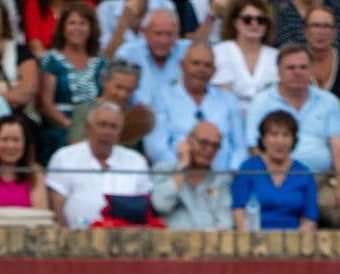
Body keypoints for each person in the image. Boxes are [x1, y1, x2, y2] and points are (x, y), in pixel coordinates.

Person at [245, 43, 340, 228]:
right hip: (275, 177)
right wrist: (274, 181)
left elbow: (339, 146)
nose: (298, 72)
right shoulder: (261, 102)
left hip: (319, 180)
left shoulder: (329, 101)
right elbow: (254, 148)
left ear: (310, 69)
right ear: (278, 72)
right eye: (291, 68)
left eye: (303, 67)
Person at [46, 101, 151, 228]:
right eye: (102, 125)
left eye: (113, 127)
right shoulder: (64, 157)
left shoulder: (136, 161)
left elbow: (144, 208)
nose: (107, 131)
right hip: (75, 239)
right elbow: (56, 208)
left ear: (120, 131)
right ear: (87, 127)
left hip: (125, 241)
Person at [144, 42, 244, 171]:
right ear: (182, 65)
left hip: (221, 179)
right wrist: (181, 169)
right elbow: (156, 147)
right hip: (175, 175)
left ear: (214, 71)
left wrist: (230, 174)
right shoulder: (162, 98)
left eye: (207, 65)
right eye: (196, 63)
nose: (201, 69)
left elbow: (240, 147)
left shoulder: (229, 100)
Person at [36, 1, 104, 161]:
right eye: (72, 23)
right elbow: (46, 104)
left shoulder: (100, 62)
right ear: (63, 28)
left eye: (83, 23)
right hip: (61, 126)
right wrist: (73, 127)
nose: (77, 28)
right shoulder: (51, 59)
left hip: (95, 124)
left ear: (91, 28)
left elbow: (105, 98)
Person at [232, 109, 317, 231]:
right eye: (274, 134)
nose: (280, 141)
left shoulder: (304, 173)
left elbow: (310, 219)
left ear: (294, 140)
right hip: (254, 240)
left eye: (286, 135)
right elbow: (239, 211)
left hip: (293, 242)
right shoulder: (247, 168)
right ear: (263, 138)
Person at [150, 120, 232, 230]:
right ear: (188, 141)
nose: (209, 149)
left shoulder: (221, 180)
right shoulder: (163, 170)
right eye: (204, 143)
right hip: (170, 243)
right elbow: (161, 205)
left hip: (210, 243)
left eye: (215, 145)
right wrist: (182, 167)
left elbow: (226, 221)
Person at [0, 113, 50, 216]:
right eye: (4, 139)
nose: (10, 146)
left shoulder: (35, 172)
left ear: (25, 144)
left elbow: (41, 213)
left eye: (16, 140)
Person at [67, 57, 153, 150]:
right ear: (105, 82)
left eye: (129, 90)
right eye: (118, 87)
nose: (122, 95)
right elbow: (75, 147)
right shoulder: (85, 110)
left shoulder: (134, 115)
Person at [211, 0, 277, 120]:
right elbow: (219, 97)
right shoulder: (219, 52)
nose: (254, 24)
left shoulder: (276, 57)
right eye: (247, 19)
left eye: (260, 20)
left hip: (269, 123)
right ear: (235, 22)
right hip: (227, 120)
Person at [111, 8, 189, 106]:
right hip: (137, 116)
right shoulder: (129, 53)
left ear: (177, 34)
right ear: (144, 33)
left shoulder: (188, 52)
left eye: (169, 34)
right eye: (158, 33)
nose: (163, 41)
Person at [302, 6, 340, 106]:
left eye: (326, 26)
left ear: (335, 32)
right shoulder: (293, 62)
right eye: (315, 25)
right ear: (305, 31)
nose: (321, 31)